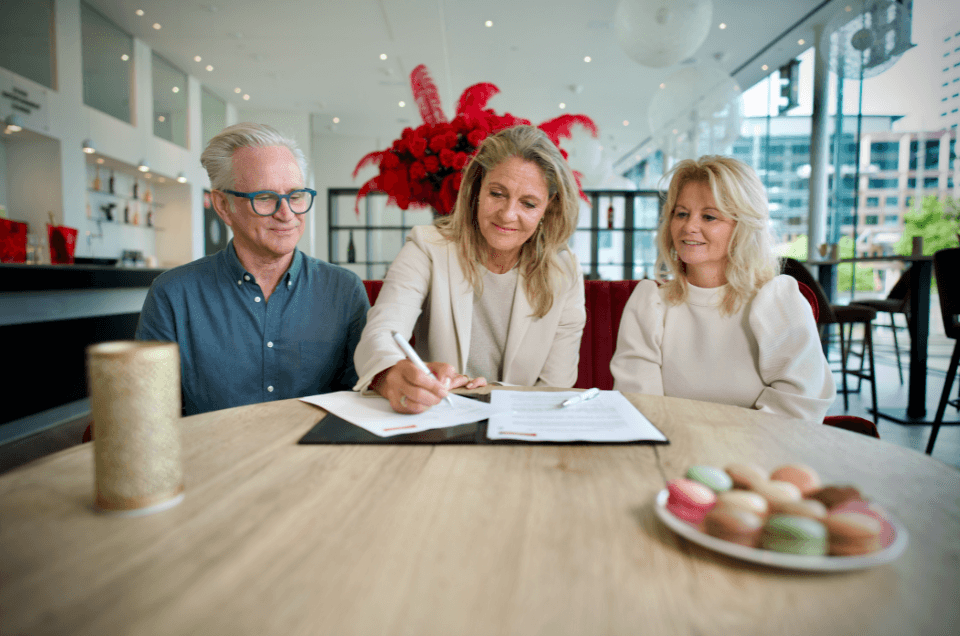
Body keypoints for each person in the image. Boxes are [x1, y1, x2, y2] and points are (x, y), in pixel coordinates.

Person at [136, 122, 369, 415]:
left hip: (316, 457)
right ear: (223, 205)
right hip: (212, 458)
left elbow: (361, 399)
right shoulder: (173, 294)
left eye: (295, 196)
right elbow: (150, 411)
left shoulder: (343, 290)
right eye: (265, 197)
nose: (286, 214)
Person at [353, 125, 586, 413]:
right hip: (438, 418)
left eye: (528, 203)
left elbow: (556, 385)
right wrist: (390, 376)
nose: (508, 214)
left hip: (522, 423)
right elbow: (379, 336)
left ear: (549, 207)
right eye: (497, 194)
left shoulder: (564, 270)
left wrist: (491, 393)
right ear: (477, 188)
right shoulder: (427, 247)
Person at [610, 155, 835, 421]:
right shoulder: (650, 304)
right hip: (673, 450)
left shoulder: (776, 300)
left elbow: (798, 408)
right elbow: (641, 409)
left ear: (743, 227)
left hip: (760, 452)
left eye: (709, 216)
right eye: (681, 213)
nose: (689, 226)